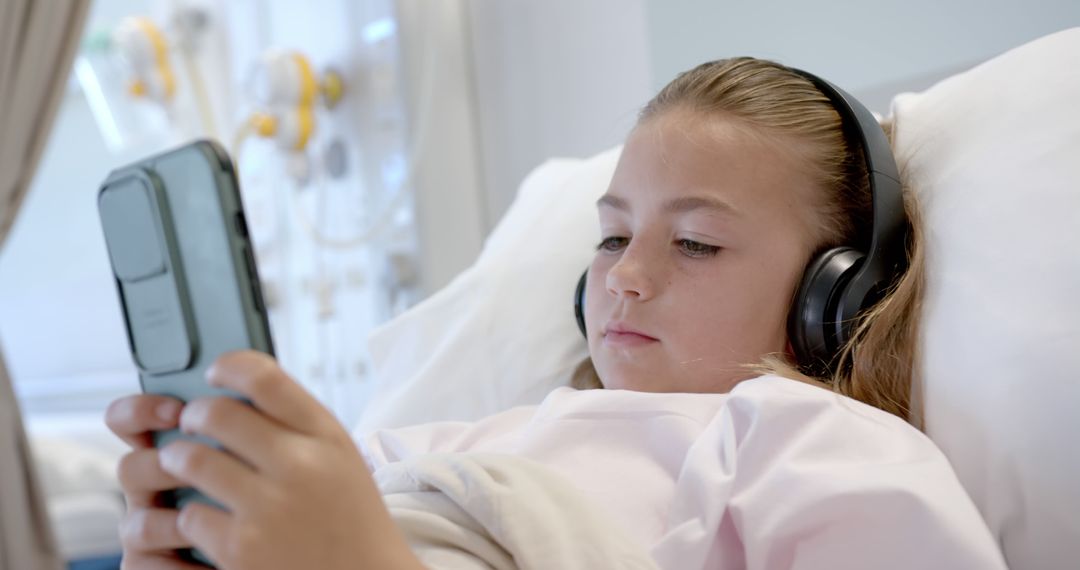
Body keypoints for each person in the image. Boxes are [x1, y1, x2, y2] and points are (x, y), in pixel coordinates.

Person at [105, 58, 1005, 569]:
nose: (628, 277)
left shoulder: (806, 442)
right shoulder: (441, 442)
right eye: (612, 239)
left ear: (833, 295)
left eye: (694, 243)